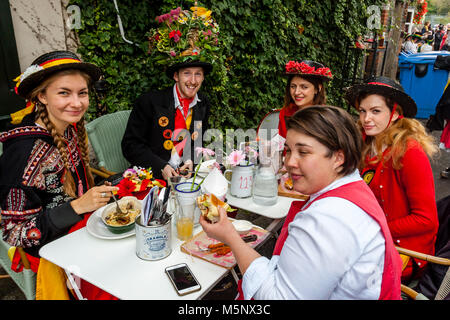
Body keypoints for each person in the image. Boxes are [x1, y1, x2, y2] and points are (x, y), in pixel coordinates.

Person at [201, 105, 402, 300]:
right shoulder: (352, 186)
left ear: (338, 157)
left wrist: (230, 236)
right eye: (288, 150)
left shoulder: (330, 219)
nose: (289, 162)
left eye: (303, 152)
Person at [0, 50, 118, 299]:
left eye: (82, 93)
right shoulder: (23, 152)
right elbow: (15, 233)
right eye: (64, 92)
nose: (76, 103)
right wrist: (76, 207)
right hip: (51, 252)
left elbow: (75, 187)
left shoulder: (68, 129)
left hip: (81, 229)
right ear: (41, 96)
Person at [346, 76, 439, 282]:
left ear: (395, 114)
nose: (366, 119)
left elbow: (427, 220)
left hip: (404, 249)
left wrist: (376, 227)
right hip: (370, 238)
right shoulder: (365, 143)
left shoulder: (409, 151)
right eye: (362, 111)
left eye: (375, 111)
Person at [122, 5, 221, 181]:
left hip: (185, 177)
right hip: (151, 177)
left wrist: (190, 159)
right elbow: (131, 146)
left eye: (198, 74)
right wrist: (161, 166)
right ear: (176, 76)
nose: (193, 80)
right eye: (187, 73)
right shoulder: (148, 102)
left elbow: (197, 142)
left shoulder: (203, 102)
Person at [278, 60, 332, 138]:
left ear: (318, 88)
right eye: (293, 86)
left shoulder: (325, 118)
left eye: (304, 87)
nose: (296, 92)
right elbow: (281, 144)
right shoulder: (286, 113)